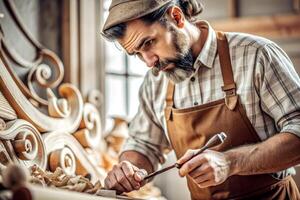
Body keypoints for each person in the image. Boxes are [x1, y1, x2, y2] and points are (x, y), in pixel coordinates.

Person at [101, 0, 300, 199]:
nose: (149, 62)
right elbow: (144, 145)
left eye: (148, 43)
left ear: (176, 17)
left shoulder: (256, 55)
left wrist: (232, 162)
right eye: (137, 53)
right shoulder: (156, 81)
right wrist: (128, 170)